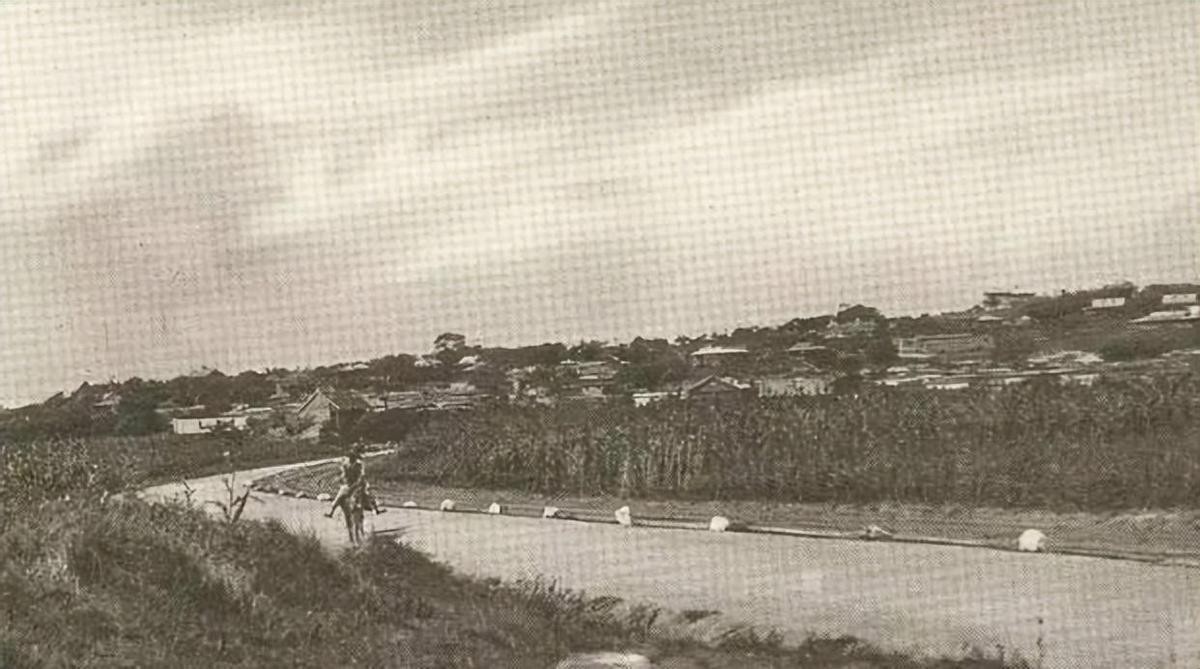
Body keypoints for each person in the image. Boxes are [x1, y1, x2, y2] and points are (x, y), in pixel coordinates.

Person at [324, 446, 385, 517]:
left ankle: (375, 510)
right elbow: (345, 475)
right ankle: (331, 513)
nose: (349, 459)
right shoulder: (348, 465)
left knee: (367, 496)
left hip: (354, 485)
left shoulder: (355, 465)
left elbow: (359, 476)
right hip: (349, 485)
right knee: (339, 498)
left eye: (350, 458)